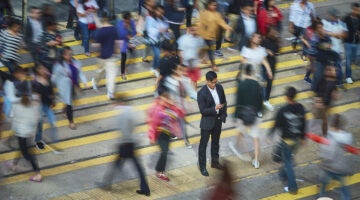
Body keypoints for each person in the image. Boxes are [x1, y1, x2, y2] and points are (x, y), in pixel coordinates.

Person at [96, 94, 151, 196]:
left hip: (125, 144)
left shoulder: (121, 112)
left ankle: (106, 184)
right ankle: (145, 189)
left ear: (121, 102)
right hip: (132, 143)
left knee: (116, 164)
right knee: (136, 167)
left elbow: (122, 128)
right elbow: (135, 125)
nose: (114, 105)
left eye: (116, 103)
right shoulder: (131, 110)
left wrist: (122, 141)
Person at [267, 86, 306, 194]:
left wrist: (269, 135)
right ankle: (282, 174)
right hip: (297, 140)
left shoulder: (283, 110)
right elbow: (304, 123)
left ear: (286, 97)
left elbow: (276, 125)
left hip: (287, 141)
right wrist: (303, 137)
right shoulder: (301, 108)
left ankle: (292, 187)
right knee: (288, 158)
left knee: (288, 162)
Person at [147, 84, 184, 182]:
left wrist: (172, 105)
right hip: (160, 133)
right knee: (164, 151)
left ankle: (160, 170)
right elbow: (153, 124)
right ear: (160, 97)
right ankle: (159, 171)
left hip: (168, 132)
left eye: (168, 96)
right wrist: (152, 137)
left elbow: (180, 113)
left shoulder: (169, 105)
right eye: (165, 96)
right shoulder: (157, 108)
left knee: (165, 151)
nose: (167, 98)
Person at [230, 63, 263, 168]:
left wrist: (235, 116)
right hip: (254, 115)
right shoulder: (257, 85)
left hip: (243, 115)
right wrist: (258, 112)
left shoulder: (241, 85)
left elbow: (238, 102)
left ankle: (238, 147)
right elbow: (260, 101)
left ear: (244, 72)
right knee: (255, 139)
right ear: (252, 72)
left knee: (240, 131)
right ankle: (256, 161)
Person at [197, 71, 227, 176]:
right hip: (207, 122)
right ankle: (202, 167)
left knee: (216, 143)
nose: (215, 84)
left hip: (218, 121)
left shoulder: (219, 88)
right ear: (207, 81)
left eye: (216, 82)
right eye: (213, 82)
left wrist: (223, 115)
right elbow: (203, 110)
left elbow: (224, 101)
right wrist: (214, 108)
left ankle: (215, 162)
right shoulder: (201, 93)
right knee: (203, 145)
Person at [11, 85, 42, 182]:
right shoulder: (33, 104)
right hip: (29, 132)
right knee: (23, 147)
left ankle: (38, 174)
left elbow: (12, 116)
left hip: (20, 132)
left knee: (28, 153)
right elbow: (37, 118)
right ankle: (14, 164)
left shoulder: (16, 104)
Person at [51, 47, 88, 130]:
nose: (70, 54)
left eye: (71, 52)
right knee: (69, 104)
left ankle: (64, 110)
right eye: (68, 53)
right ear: (63, 55)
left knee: (69, 100)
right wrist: (52, 88)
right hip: (65, 88)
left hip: (74, 86)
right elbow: (53, 78)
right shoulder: (58, 66)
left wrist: (85, 81)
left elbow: (80, 72)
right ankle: (71, 122)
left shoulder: (75, 62)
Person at [318, 114, 353, 200]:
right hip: (341, 167)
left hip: (329, 167)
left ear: (332, 125)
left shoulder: (329, 137)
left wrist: (322, 161)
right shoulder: (347, 136)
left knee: (323, 184)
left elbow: (327, 154)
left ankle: (321, 195)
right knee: (344, 189)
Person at [240, 32, 273, 112]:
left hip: (258, 74)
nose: (259, 39)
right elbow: (243, 62)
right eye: (257, 37)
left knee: (261, 92)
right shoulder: (246, 49)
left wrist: (269, 70)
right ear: (252, 38)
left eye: (260, 38)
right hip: (249, 74)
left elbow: (264, 61)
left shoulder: (261, 49)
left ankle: (262, 105)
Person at [91, 13, 121, 100]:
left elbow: (95, 45)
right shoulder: (114, 29)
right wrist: (116, 52)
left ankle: (96, 81)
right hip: (111, 56)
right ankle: (110, 92)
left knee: (101, 71)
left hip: (101, 56)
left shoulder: (100, 31)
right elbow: (117, 43)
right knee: (110, 74)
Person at [32, 63, 60, 153]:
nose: (43, 70)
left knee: (52, 119)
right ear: (37, 71)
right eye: (41, 69)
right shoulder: (35, 82)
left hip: (46, 104)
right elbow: (35, 96)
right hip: (39, 105)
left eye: (43, 68)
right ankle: (38, 140)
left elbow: (51, 91)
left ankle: (49, 135)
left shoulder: (47, 78)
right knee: (39, 124)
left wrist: (53, 100)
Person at [198, 0, 232, 71]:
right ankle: (208, 62)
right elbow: (201, 24)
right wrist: (200, 33)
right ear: (208, 5)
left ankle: (212, 64)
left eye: (215, 5)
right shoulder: (204, 13)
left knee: (210, 50)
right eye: (213, 5)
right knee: (206, 50)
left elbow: (221, 22)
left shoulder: (216, 14)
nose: (214, 7)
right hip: (203, 35)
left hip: (211, 36)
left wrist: (228, 27)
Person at [145, 5, 169, 76]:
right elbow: (150, 30)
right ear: (155, 11)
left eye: (162, 12)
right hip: (152, 40)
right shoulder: (150, 19)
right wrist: (159, 30)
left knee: (157, 55)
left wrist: (164, 30)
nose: (160, 14)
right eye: (159, 11)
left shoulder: (163, 18)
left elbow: (166, 26)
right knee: (157, 54)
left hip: (160, 40)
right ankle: (156, 69)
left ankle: (153, 68)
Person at [315, 63, 338, 137]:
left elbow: (334, 93)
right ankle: (324, 133)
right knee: (323, 120)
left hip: (327, 104)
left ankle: (324, 133)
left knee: (324, 120)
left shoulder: (333, 82)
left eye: (330, 70)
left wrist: (335, 95)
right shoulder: (322, 80)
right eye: (327, 70)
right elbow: (318, 91)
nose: (329, 71)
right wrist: (318, 102)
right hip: (322, 104)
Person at [262, 26, 279, 110]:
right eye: (272, 32)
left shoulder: (276, 42)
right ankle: (260, 102)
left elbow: (276, 52)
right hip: (263, 67)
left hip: (272, 66)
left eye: (275, 32)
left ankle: (266, 100)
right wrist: (266, 51)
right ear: (268, 33)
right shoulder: (264, 41)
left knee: (269, 84)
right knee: (262, 84)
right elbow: (260, 50)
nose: (274, 34)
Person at [343, 3, 360, 84]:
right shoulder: (346, 18)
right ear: (353, 9)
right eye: (357, 10)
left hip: (357, 42)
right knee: (348, 60)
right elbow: (342, 29)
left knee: (357, 57)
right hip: (348, 43)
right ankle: (348, 76)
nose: (358, 12)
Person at [117, 11, 137, 81]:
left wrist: (131, 35)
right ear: (124, 19)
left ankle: (131, 49)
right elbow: (119, 36)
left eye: (129, 19)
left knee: (132, 49)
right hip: (123, 41)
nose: (128, 21)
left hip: (130, 39)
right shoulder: (120, 24)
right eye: (126, 19)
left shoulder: (132, 22)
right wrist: (126, 33)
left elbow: (135, 32)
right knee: (123, 57)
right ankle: (122, 73)